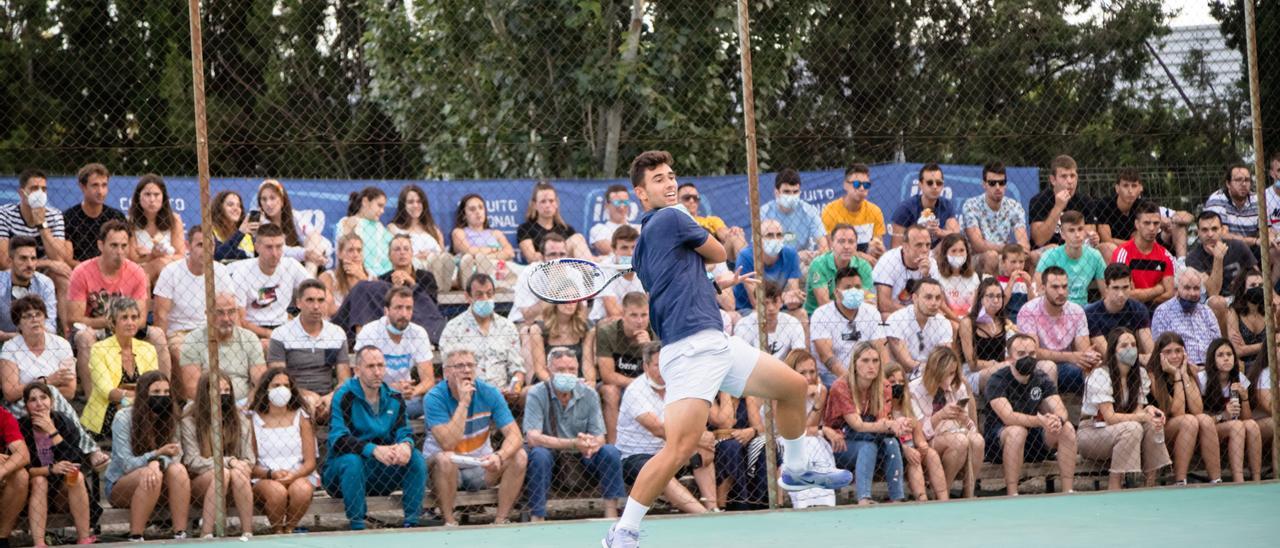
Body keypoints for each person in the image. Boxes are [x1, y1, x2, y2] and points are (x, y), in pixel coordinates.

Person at [604, 151, 850, 547]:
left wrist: (718, 286)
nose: (669, 184)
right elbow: (719, 252)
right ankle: (623, 532)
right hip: (692, 349)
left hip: (713, 342)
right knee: (680, 447)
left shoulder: (643, 247)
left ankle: (798, 469)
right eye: (659, 180)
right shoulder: (672, 217)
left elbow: (675, 289)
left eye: (672, 176)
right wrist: (719, 249)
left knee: (792, 387)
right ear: (641, 193)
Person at [324, 346, 427, 530]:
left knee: (416, 458)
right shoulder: (344, 395)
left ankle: (412, 522)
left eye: (381, 365)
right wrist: (372, 449)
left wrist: (406, 445)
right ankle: (357, 524)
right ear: (357, 370)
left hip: (381, 471)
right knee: (351, 461)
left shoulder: (394, 397)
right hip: (343, 476)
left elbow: (405, 431)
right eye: (371, 366)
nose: (377, 372)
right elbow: (338, 439)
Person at [423, 348, 528, 526]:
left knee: (520, 456)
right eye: (460, 366)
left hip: (481, 465)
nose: (466, 370)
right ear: (446, 372)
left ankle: (501, 521)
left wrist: (498, 456)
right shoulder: (434, 397)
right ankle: (449, 522)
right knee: (446, 459)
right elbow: (448, 444)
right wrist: (464, 402)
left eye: (470, 365)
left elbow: (515, 436)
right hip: (444, 468)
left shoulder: (489, 392)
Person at [68, 220, 169, 395]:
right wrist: (111, 322)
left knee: (158, 335)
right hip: (96, 329)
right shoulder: (82, 272)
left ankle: (164, 393)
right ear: (101, 245)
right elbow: (75, 318)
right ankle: (94, 400)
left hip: (129, 327)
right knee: (84, 338)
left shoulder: (136, 272)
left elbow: (142, 319)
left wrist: (120, 324)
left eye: (124, 246)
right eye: (113, 245)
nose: (120, 252)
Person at [615, 343, 718, 514]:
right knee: (660, 468)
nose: (663, 369)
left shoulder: (678, 386)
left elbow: (692, 420)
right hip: (636, 457)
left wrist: (701, 440)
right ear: (646, 366)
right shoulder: (635, 390)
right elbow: (658, 429)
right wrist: (699, 438)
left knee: (703, 451)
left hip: (673, 450)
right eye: (657, 365)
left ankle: (713, 508)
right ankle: (702, 514)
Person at [523, 348, 625, 521]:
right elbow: (532, 437)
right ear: (548, 371)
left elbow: (600, 436)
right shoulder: (537, 393)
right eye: (561, 370)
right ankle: (537, 516)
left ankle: (611, 513)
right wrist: (572, 443)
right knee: (539, 455)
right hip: (553, 458)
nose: (567, 375)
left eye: (572, 370)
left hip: (584, 456)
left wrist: (589, 443)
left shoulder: (589, 394)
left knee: (610, 452)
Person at [1077, 327, 1171, 490]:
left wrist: (1148, 411)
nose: (1130, 349)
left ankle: (1150, 485)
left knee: (1152, 424)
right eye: (1124, 346)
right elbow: (1110, 417)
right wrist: (1142, 417)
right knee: (1133, 427)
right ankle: (1115, 487)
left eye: (1134, 345)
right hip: (1092, 432)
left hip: (1122, 430)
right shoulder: (1101, 375)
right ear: (1113, 350)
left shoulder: (1140, 374)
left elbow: (1137, 413)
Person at [104, 371, 192, 542]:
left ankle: (180, 534)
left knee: (179, 470)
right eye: (156, 392)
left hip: (158, 479)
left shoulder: (171, 417)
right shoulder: (123, 418)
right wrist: (155, 456)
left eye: (167, 392)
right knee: (151, 474)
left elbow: (176, 454)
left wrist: (157, 462)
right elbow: (127, 465)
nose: (163, 396)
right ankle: (136, 536)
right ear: (144, 394)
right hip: (121, 484)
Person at [983, 354, 1078, 496]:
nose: (1028, 356)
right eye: (1021, 353)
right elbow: (1008, 417)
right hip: (999, 441)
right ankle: (1012, 494)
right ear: (1009, 358)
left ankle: (1068, 491)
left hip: (1033, 438)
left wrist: (1057, 420)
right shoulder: (998, 379)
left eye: (1032, 353)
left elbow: (1060, 409)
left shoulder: (1040, 377)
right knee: (1017, 431)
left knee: (1067, 428)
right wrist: (1039, 421)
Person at [824, 342, 905, 505]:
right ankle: (864, 498)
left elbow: (883, 420)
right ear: (855, 363)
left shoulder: (884, 385)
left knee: (891, 442)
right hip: (840, 441)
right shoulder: (841, 386)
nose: (871, 366)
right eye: (865, 360)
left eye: (875, 361)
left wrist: (899, 424)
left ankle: (897, 498)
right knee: (868, 446)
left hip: (870, 437)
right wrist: (888, 425)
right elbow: (857, 425)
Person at [179, 372, 254, 539]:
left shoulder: (241, 420)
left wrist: (240, 466)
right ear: (205, 393)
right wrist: (229, 461)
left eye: (227, 390)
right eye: (218, 390)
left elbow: (249, 459)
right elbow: (193, 461)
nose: (224, 394)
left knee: (237, 473)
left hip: (237, 480)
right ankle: (207, 533)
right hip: (201, 480)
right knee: (224, 473)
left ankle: (248, 533)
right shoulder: (190, 422)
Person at [17, 383, 93, 545]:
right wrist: (50, 469)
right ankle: (39, 543)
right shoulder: (21, 427)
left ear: (51, 401)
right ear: (26, 406)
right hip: (31, 493)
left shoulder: (64, 423)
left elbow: (75, 460)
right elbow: (20, 469)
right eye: (33, 400)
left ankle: (84, 538)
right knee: (39, 481)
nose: (39, 403)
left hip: (61, 493)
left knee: (76, 476)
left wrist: (53, 431)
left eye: (43, 397)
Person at [266, 279, 351, 418]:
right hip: (292, 395)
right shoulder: (281, 334)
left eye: (321, 300)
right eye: (310, 300)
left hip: (327, 397)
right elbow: (278, 380)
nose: (316, 306)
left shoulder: (337, 333)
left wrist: (330, 397)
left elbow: (345, 379)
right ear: (298, 303)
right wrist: (305, 396)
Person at [1146, 333, 1222, 486]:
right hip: (1160, 428)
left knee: (1205, 419)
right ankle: (1180, 480)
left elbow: (1197, 409)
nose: (1174, 356)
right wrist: (1177, 376)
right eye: (1168, 352)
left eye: (1178, 351)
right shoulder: (1152, 375)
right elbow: (1177, 412)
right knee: (1188, 420)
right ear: (1159, 355)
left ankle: (1216, 479)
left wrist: (1185, 376)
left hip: (1188, 428)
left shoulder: (1188, 371)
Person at [247, 368, 317, 534]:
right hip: (265, 477)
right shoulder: (252, 419)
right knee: (276, 492)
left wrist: (294, 475)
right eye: (276, 385)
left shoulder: (301, 417)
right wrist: (271, 474)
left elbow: (310, 462)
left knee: (303, 490)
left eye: (286, 385)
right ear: (266, 389)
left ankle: (290, 528)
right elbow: (250, 464)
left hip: (298, 474)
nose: (282, 389)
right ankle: (277, 530)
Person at [154, 224, 234, 366]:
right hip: (179, 333)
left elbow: (233, 309)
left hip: (213, 331)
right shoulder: (171, 272)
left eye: (211, 245)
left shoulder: (221, 271)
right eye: (200, 245)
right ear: (188, 246)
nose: (207, 250)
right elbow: (161, 315)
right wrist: (162, 350)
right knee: (185, 355)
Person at [438, 274, 524, 405]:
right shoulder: (454, 328)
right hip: (468, 398)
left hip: (503, 398)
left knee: (530, 393)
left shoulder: (507, 327)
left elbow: (517, 368)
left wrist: (515, 388)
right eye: (479, 295)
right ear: (468, 297)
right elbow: (449, 371)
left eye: (489, 294)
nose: (485, 299)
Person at [908, 347, 982, 498]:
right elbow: (919, 433)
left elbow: (971, 428)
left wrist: (964, 419)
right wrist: (940, 415)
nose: (950, 378)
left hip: (955, 433)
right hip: (927, 442)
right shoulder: (914, 390)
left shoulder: (957, 386)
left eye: (953, 373)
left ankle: (968, 493)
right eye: (947, 373)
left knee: (978, 440)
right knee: (959, 442)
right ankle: (943, 493)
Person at [0, 170, 72, 320]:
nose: (39, 193)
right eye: (34, 189)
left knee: (62, 277)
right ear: (22, 193)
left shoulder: (55, 215)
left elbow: (58, 257)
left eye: (43, 189)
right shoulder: (4, 214)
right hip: (12, 271)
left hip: (43, 273)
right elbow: (5, 261)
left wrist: (42, 225)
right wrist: (48, 263)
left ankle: (66, 333)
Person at [354, 286, 435, 418]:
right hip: (374, 394)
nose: (404, 314)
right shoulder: (370, 332)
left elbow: (428, 380)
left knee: (432, 402)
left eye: (408, 308)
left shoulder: (418, 333)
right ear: (386, 310)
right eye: (398, 308)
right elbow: (361, 378)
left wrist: (412, 391)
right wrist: (391, 389)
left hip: (407, 398)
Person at [82, 297, 159, 437]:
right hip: (108, 412)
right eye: (124, 318)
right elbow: (107, 391)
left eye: (134, 317)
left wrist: (133, 398)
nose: (130, 322)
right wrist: (135, 398)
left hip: (140, 410)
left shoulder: (148, 349)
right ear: (112, 322)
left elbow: (153, 386)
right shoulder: (99, 349)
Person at [1016, 266, 1097, 394]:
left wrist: (1089, 357)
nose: (1061, 292)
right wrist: (1071, 357)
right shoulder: (1028, 311)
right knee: (1049, 367)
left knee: (1096, 370)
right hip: (1038, 366)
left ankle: (1092, 412)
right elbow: (1033, 352)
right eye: (1055, 287)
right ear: (1042, 288)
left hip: (1069, 366)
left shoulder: (1076, 311)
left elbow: (1083, 350)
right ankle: (1054, 412)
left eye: (1064, 287)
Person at [779, 349, 841, 508]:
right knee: (807, 444)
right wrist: (823, 430)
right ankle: (804, 501)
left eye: (812, 372)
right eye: (802, 372)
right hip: (783, 438)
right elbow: (790, 430)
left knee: (812, 443)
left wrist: (818, 402)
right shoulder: (780, 391)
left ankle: (824, 500)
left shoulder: (821, 390)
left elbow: (809, 427)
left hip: (809, 436)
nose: (808, 377)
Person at [228, 223, 311, 339]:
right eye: (269, 247)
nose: (275, 254)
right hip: (253, 330)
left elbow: (316, 290)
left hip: (283, 326)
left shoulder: (291, 265)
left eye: (279, 246)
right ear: (257, 247)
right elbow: (241, 320)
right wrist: (270, 335)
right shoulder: (242, 272)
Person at [178, 292, 266, 401]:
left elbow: (259, 382)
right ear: (207, 313)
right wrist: (216, 409)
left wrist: (248, 405)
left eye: (231, 312)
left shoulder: (250, 338)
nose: (226, 318)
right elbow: (192, 388)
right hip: (204, 404)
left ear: (237, 312)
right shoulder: (192, 340)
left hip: (243, 403)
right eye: (219, 313)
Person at [1196, 339, 1262, 483]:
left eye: (1229, 354)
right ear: (1212, 359)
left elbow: (1247, 418)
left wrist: (1244, 398)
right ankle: (1239, 480)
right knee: (1237, 426)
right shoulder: (1202, 380)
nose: (1226, 358)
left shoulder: (1240, 379)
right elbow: (1198, 416)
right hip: (1210, 429)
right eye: (1220, 355)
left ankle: (1257, 479)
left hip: (1233, 426)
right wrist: (1223, 415)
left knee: (1252, 425)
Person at [596, 292, 656, 443]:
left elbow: (659, 374)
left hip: (648, 384)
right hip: (619, 385)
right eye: (633, 315)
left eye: (644, 315)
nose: (639, 321)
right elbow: (607, 375)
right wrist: (638, 384)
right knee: (610, 391)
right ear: (623, 314)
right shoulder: (607, 332)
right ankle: (614, 445)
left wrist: (648, 348)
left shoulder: (654, 332)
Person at [809, 267, 885, 386]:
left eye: (858, 287)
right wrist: (851, 381)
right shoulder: (821, 314)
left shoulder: (872, 312)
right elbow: (826, 356)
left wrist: (882, 378)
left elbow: (880, 349)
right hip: (832, 376)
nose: (854, 291)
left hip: (867, 374)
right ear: (836, 292)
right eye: (848, 287)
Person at [1094, 169, 1192, 260]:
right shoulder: (1104, 205)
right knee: (1109, 247)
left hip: (1142, 248)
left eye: (1134, 186)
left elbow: (1143, 235)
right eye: (1125, 185)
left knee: (1175, 227)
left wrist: (1170, 222)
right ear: (1117, 188)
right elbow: (1106, 240)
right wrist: (1137, 242)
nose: (1130, 190)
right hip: (1115, 251)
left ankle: (1181, 263)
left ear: (1140, 188)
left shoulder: (1142, 205)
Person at [884, 361, 947, 501]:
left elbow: (918, 435)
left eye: (901, 381)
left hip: (912, 447)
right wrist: (905, 449)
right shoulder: (882, 406)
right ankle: (922, 499)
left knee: (931, 454)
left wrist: (922, 445)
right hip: (895, 451)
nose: (897, 385)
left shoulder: (909, 404)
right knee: (914, 460)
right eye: (892, 382)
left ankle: (943, 498)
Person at [0, 295, 75, 401]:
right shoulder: (10, 348)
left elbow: (69, 391)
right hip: (23, 407)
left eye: (38, 314)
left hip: (56, 405)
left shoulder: (61, 344)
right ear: (18, 324)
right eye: (27, 316)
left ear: (45, 318)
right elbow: (11, 394)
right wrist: (47, 381)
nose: (34, 319)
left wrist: (29, 390)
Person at [963, 161, 1030, 274]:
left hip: (1006, 257)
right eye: (992, 183)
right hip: (977, 259)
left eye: (1002, 182)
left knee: (1032, 257)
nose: (998, 187)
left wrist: (1013, 253)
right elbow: (978, 245)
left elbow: (1024, 244)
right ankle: (991, 291)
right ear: (984, 184)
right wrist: (1008, 250)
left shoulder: (1014, 206)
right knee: (992, 256)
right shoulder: (971, 205)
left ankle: (1024, 290)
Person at [256, 179, 329, 275]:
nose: (268, 204)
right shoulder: (261, 222)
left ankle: (308, 280)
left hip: (299, 264)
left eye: (272, 198)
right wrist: (306, 253)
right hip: (276, 267)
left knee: (314, 237)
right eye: (264, 199)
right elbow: (280, 250)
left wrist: (313, 253)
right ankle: (308, 281)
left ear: (282, 201)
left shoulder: (294, 216)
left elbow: (313, 236)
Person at [707, 392, 768, 509]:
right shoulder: (710, 398)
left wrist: (751, 431)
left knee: (762, 446)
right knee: (731, 447)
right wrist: (725, 393)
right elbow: (726, 423)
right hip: (717, 444)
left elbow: (759, 427)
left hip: (744, 443)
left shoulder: (746, 397)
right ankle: (736, 504)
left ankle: (762, 503)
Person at [378, 233, 446, 337]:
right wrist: (395, 287)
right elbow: (382, 307)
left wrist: (412, 282)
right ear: (389, 256)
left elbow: (431, 304)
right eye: (397, 249)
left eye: (406, 249)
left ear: (412, 253)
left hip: (423, 321)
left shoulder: (426, 277)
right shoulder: (383, 279)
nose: (402, 253)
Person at [884, 278, 952, 381]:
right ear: (915, 298)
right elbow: (907, 364)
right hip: (902, 379)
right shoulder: (896, 319)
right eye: (928, 297)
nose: (934, 303)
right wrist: (934, 369)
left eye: (938, 298)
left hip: (934, 375)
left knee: (961, 384)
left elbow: (945, 360)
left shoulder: (944, 322)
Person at [388, 184, 456, 289]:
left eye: (419, 202)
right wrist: (416, 256)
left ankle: (440, 288)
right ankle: (437, 289)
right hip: (414, 269)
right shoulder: (393, 228)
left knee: (445, 259)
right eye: (410, 202)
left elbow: (443, 255)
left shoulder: (434, 229)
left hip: (438, 268)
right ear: (403, 205)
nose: (415, 205)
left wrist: (431, 255)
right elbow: (394, 254)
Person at [731, 219, 804, 313]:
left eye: (779, 235)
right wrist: (784, 297)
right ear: (758, 239)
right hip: (748, 309)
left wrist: (792, 298)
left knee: (801, 313)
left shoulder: (791, 254)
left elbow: (793, 294)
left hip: (777, 306)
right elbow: (756, 301)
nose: (775, 239)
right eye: (769, 235)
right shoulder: (745, 256)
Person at [1150, 269, 1220, 366]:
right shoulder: (1163, 312)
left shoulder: (1207, 312)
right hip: (1180, 368)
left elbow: (1217, 344)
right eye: (1187, 288)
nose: (1192, 293)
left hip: (1210, 368)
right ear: (1177, 289)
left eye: (1196, 288)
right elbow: (1162, 350)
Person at [1111, 200, 1176, 307]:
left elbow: (1169, 294)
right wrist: (1158, 289)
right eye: (1147, 223)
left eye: (1156, 223)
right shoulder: (1122, 253)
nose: (1152, 228)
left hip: (1157, 312)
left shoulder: (1166, 256)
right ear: (1137, 224)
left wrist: (1141, 296)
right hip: (1128, 312)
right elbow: (1124, 294)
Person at [1035, 210, 1105, 306]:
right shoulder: (1050, 256)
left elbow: (1106, 292)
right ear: (1062, 234)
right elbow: (1036, 291)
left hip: (1083, 310)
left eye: (1080, 229)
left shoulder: (1095, 256)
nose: (1077, 235)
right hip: (1056, 309)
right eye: (1071, 230)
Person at [126, 174, 186, 284]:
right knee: (159, 265)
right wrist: (153, 255)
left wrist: (157, 256)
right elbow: (133, 258)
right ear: (138, 197)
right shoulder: (130, 222)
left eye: (156, 194)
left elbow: (181, 255)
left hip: (168, 270)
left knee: (162, 265)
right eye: (147, 194)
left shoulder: (175, 219)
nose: (152, 199)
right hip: (140, 273)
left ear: (163, 197)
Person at [803, 224, 874, 316]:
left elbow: (860, 300)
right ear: (832, 244)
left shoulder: (864, 267)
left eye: (851, 242)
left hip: (853, 315)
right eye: (841, 241)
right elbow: (824, 304)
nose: (846, 246)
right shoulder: (818, 265)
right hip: (819, 315)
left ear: (856, 245)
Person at [63, 163, 126, 267]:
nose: (100, 191)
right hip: (80, 272)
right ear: (83, 187)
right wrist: (93, 272)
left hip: (112, 270)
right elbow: (68, 260)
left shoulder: (116, 216)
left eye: (104, 185)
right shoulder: (68, 217)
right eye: (95, 185)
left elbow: (125, 252)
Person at [821, 163, 885, 262]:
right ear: (845, 185)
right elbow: (832, 249)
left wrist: (877, 249)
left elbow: (878, 244)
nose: (862, 188)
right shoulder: (830, 210)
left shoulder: (875, 211)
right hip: (839, 263)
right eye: (857, 184)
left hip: (868, 265)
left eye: (866, 185)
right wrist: (860, 256)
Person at [1085, 264, 1153, 356]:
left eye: (1125, 287)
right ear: (1106, 287)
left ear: (1131, 286)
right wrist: (1140, 358)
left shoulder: (1139, 309)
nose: (1121, 294)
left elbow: (1151, 352)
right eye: (1115, 288)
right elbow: (1108, 355)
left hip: (1134, 362)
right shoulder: (1091, 313)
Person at [1029, 155, 1095, 249]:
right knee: (1052, 248)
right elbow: (1039, 240)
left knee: (1104, 248)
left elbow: (1088, 236)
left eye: (1072, 176)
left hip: (1077, 249)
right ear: (1053, 180)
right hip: (1049, 251)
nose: (1069, 181)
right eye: (1064, 176)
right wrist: (1058, 207)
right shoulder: (1038, 201)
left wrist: (1093, 237)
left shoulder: (1086, 201)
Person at [1187, 211, 1255, 302]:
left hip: (1243, 299)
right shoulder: (1193, 258)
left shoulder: (1238, 246)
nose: (1210, 234)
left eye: (1214, 229)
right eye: (1204, 230)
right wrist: (1218, 258)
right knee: (1216, 303)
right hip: (1215, 304)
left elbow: (1257, 274)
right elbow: (1213, 292)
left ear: (1222, 230)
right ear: (1198, 232)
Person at [522, 301, 595, 385]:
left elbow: (588, 364)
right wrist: (558, 385)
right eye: (565, 299)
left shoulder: (585, 328)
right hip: (548, 381)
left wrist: (590, 382)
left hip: (576, 380)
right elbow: (540, 369)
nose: (570, 303)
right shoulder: (538, 329)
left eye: (574, 300)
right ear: (554, 302)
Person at [762, 169, 828, 261]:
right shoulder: (764, 212)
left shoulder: (809, 211)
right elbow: (757, 250)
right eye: (787, 192)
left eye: (795, 192)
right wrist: (795, 256)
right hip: (774, 261)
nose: (791, 196)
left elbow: (823, 245)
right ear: (776, 192)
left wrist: (817, 255)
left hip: (802, 263)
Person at [0, 236, 58, 340]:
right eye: (23, 258)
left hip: (37, 340)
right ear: (10, 261)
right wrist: (9, 337)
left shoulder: (45, 283)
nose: (30, 264)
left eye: (33, 258)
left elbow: (51, 326)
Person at [517, 181, 592, 261]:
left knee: (577, 238)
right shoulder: (525, 228)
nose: (547, 205)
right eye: (543, 201)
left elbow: (582, 255)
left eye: (551, 201)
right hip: (542, 267)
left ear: (556, 203)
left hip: (565, 266)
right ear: (535, 205)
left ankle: (590, 272)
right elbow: (531, 257)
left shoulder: (566, 229)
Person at [450, 193, 516, 283]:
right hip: (471, 270)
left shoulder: (496, 233)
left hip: (498, 267)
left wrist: (484, 258)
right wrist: (495, 250)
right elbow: (469, 251)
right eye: (472, 209)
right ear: (464, 215)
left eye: (481, 207)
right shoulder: (459, 232)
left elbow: (510, 253)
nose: (478, 212)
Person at [889, 163, 959, 248]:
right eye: (930, 183)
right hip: (912, 254)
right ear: (920, 185)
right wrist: (920, 234)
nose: (935, 186)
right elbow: (896, 247)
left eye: (939, 183)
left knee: (954, 243)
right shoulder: (906, 208)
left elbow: (956, 235)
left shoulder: (946, 205)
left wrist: (939, 232)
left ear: (943, 185)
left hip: (937, 255)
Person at [958, 277, 1010, 392]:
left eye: (999, 296)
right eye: (990, 296)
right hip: (973, 374)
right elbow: (972, 364)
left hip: (1002, 370)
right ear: (981, 298)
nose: (996, 300)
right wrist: (997, 365)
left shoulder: (1004, 322)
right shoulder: (968, 323)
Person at [733, 281, 806, 360]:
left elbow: (799, 355)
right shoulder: (744, 325)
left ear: (781, 302)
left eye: (775, 302)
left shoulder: (793, 323)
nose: (771, 308)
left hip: (783, 369)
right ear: (756, 305)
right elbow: (742, 358)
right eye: (765, 303)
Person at [676, 182, 747, 263]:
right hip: (691, 259)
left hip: (715, 258)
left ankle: (748, 271)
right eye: (687, 198)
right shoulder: (675, 221)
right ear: (677, 200)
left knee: (736, 235)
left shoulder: (711, 220)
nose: (692, 201)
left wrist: (732, 232)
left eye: (695, 198)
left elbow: (722, 231)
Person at [509, 233, 570, 324]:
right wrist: (552, 290)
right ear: (542, 257)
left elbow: (582, 311)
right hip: (525, 323)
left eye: (562, 254)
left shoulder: (574, 273)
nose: (558, 259)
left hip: (558, 324)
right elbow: (527, 315)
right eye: (552, 254)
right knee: (535, 330)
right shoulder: (529, 273)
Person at [872, 224, 932, 315]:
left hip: (921, 313)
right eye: (919, 245)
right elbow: (884, 304)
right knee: (885, 316)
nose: (925, 250)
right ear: (905, 247)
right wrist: (914, 314)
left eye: (928, 245)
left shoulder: (931, 262)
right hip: (896, 313)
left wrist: (926, 276)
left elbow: (936, 300)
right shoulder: (888, 261)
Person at [589, 226, 644, 322]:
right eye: (624, 248)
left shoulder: (644, 267)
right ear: (614, 250)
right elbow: (612, 311)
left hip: (637, 321)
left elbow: (647, 307)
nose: (630, 253)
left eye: (633, 248)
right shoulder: (603, 269)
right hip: (604, 322)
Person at [336, 187, 393, 276]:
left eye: (383, 207)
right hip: (358, 274)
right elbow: (343, 251)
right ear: (365, 202)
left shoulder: (380, 227)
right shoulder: (349, 222)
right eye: (379, 205)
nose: (382, 211)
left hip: (387, 276)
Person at [1202, 164, 1260, 250]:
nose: (1243, 184)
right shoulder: (1217, 199)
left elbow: (1266, 229)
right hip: (1226, 248)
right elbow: (1222, 235)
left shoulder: (1257, 200)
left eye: (1247, 180)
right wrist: (1254, 241)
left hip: (1253, 249)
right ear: (1228, 184)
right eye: (1238, 180)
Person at [320, 234, 374, 316]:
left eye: (359, 250)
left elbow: (376, 304)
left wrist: (360, 276)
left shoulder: (370, 276)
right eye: (350, 250)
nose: (355, 255)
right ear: (340, 254)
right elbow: (329, 310)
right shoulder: (328, 277)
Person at [931, 233, 980, 319]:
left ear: (967, 253)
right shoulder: (938, 276)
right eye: (953, 251)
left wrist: (967, 320)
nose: (958, 254)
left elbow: (975, 305)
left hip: (970, 318)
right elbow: (943, 306)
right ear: (945, 254)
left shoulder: (974, 276)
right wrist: (959, 321)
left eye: (962, 250)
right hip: (948, 319)